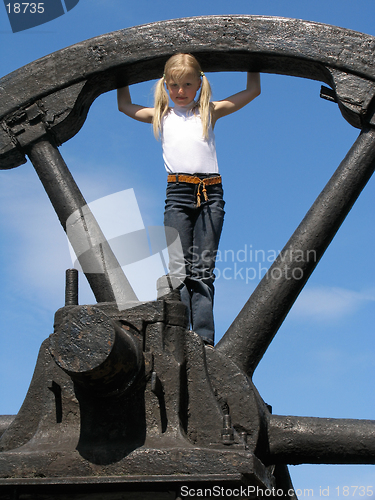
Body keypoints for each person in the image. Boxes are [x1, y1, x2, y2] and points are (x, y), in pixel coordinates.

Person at [117, 53, 260, 346]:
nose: (180, 91)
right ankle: (179, 333)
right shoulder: (161, 116)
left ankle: (204, 338)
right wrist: (121, 74)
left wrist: (253, 63)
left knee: (203, 271)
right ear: (165, 86)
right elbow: (124, 106)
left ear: (199, 85)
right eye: (174, 85)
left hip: (210, 194)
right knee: (178, 271)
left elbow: (252, 91)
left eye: (187, 84)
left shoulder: (207, 112)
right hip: (178, 194)